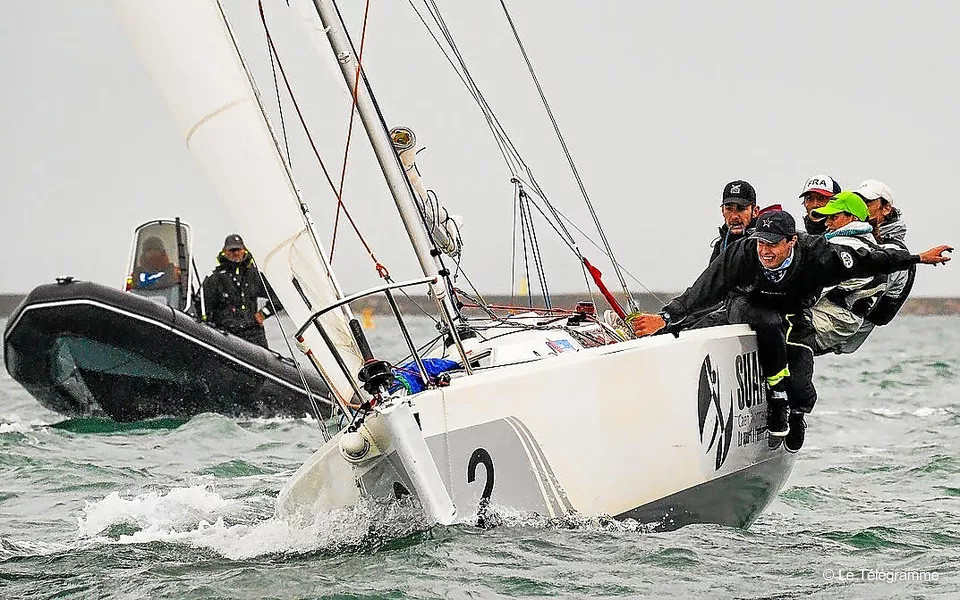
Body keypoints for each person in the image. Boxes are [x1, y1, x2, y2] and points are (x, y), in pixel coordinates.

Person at [630, 211, 951, 453]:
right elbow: (704, 289)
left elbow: (873, 260)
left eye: (773, 245)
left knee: (800, 357)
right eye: (761, 244)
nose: (765, 251)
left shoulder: (819, 255)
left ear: (792, 242)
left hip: (796, 309)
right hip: (751, 303)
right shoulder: (743, 253)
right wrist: (667, 317)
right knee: (767, 324)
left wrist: (919, 258)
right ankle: (776, 399)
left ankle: (795, 411)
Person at [804, 192, 889, 353]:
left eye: (833, 217)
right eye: (826, 218)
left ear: (853, 218)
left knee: (780, 324)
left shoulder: (844, 247)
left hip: (831, 320)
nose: (827, 223)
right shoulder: (867, 243)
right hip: (841, 322)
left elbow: (810, 291)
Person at [201, 234, 280, 349]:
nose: (236, 253)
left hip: (253, 333)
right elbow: (204, 308)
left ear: (244, 250)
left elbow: (279, 297)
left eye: (238, 249)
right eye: (232, 250)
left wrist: (263, 313)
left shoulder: (254, 275)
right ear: (225, 252)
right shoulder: (215, 279)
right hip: (226, 335)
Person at [709, 180, 759, 263]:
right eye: (729, 209)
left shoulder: (763, 244)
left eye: (741, 209)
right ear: (722, 211)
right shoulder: (720, 246)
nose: (734, 216)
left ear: (755, 211)